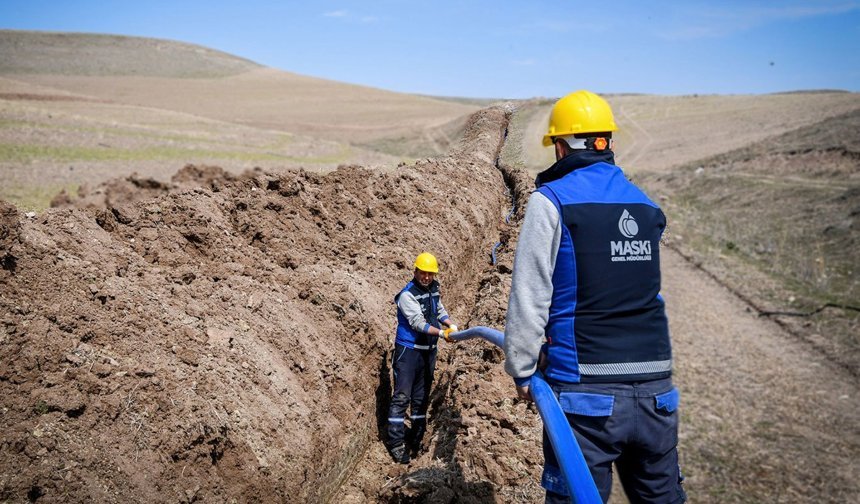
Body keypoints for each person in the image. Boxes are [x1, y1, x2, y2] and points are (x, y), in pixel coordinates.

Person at [503, 90, 686, 503]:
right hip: (657, 393)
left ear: (561, 146)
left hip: (586, 396)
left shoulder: (551, 202)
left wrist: (523, 369)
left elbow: (530, 293)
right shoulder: (645, 205)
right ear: (607, 142)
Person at [386, 252, 458, 464]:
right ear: (415, 271)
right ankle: (396, 443)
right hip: (409, 352)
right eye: (423, 273)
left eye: (430, 274)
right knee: (402, 397)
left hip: (428, 350)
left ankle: (416, 438)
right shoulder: (407, 295)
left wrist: (450, 324)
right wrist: (442, 333)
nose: (426, 277)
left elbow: (439, 309)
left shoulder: (433, 288)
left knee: (421, 397)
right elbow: (417, 322)